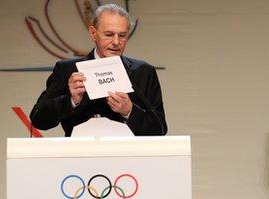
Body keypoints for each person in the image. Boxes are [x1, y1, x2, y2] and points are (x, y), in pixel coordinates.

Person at [30, 4, 167, 136]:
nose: (116, 42)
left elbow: (160, 129)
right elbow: (38, 119)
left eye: (122, 35)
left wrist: (129, 111)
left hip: (127, 157)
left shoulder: (143, 72)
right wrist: (71, 100)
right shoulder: (67, 70)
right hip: (79, 156)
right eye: (109, 34)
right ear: (93, 33)